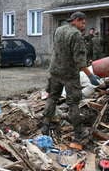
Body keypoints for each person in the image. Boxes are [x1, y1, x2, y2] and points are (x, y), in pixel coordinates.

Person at [42, 12, 100, 141]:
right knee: (73, 103)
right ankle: (79, 132)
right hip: (69, 74)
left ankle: (45, 125)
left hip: (55, 71)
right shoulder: (76, 35)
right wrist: (91, 76)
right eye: (83, 23)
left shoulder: (59, 30)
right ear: (76, 20)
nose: (84, 26)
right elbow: (80, 61)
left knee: (52, 98)